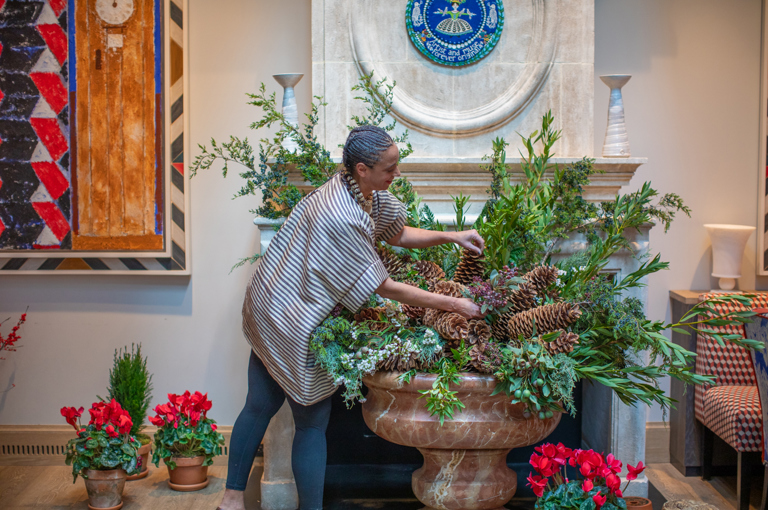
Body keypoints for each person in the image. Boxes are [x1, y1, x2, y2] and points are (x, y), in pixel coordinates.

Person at [217, 125, 485, 510]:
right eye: (390, 168)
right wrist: (454, 304)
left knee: (258, 404)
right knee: (309, 420)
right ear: (363, 168)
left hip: (271, 300)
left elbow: (397, 233)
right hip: (288, 318)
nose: (396, 175)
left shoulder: (358, 190)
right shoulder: (341, 215)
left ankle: (229, 501)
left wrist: (452, 235)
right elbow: (385, 287)